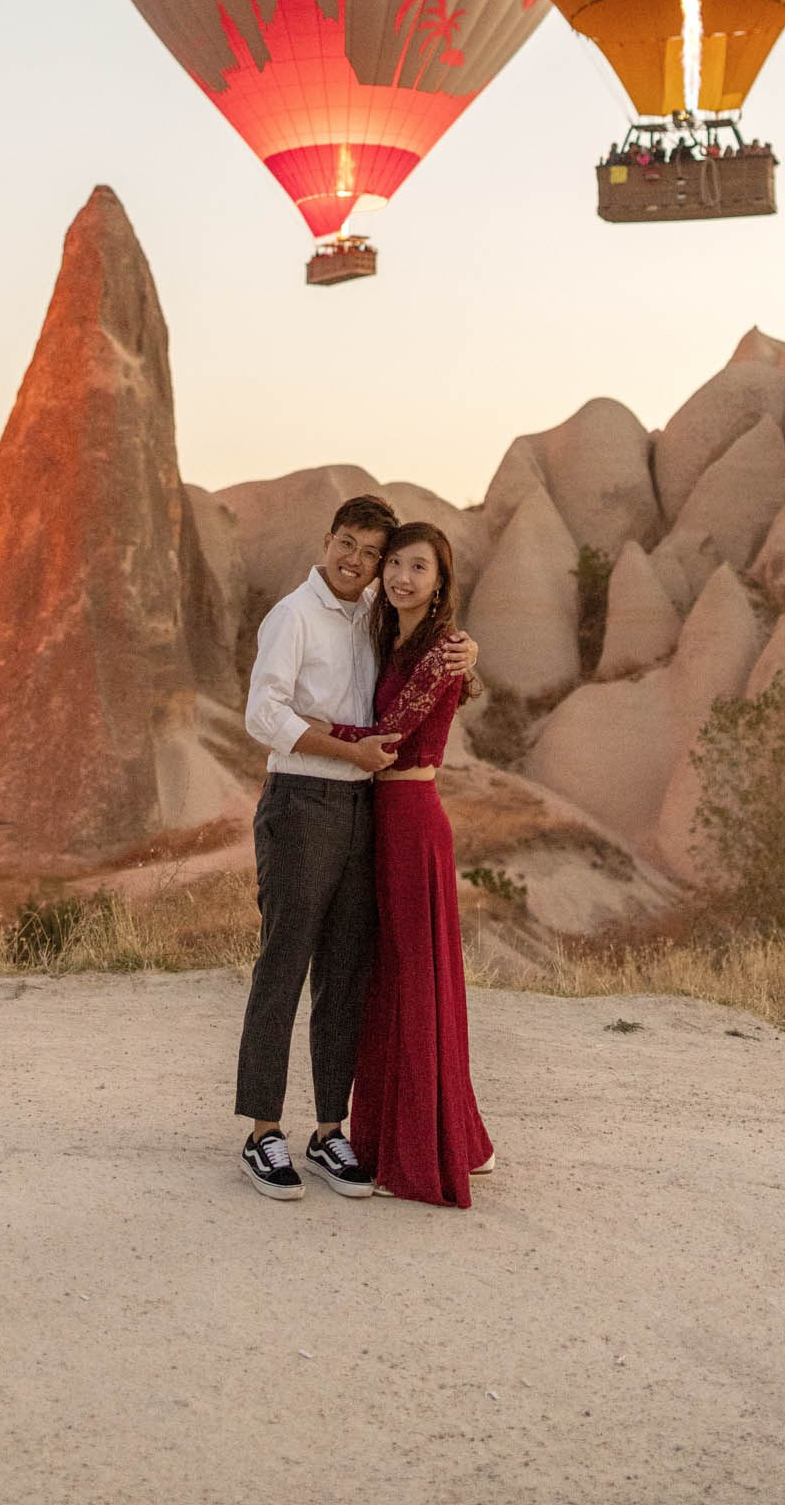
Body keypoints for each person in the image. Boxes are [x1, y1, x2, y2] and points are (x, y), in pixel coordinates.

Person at [233, 495, 475, 1201]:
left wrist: (468, 648)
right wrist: (337, 741)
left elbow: (422, 671)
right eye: (350, 545)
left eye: (374, 554)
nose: (359, 562)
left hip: (362, 808)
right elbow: (261, 713)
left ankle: (328, 1129)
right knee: (284, 962)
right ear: (327, 539)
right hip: (301, 802)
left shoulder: (371, 621)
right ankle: (261, 1132)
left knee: (344, 972)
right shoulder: (293, 615)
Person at [329, 522, 492, 1208]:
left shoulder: (442, 648)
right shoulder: (385, 633)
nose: (399, 576)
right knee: (393, 976)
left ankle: (425, 1146)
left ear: (439, 581)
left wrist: (300, 727)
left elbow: (391, 735)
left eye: (416, 567)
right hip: (381, 821)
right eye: (392, 563)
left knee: (415, 981)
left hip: (412, 820)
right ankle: (431, 1130)